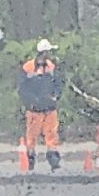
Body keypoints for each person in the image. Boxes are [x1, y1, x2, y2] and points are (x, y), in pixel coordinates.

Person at [19, 38, 62, 171]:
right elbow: (22, 88)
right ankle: (30, 159)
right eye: (48, 52)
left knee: (51, 134)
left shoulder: (51, 67)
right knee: (31, 136)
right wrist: (32, 100)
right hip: (34, 109)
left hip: (49, 108)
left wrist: (55, 96)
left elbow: (58, 84)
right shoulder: (27, 68)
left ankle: (53, 159)